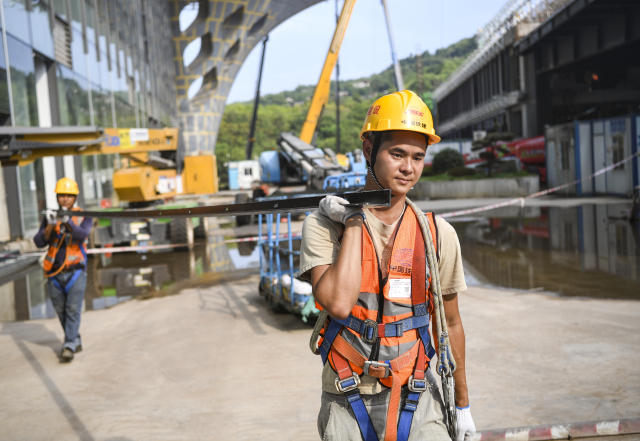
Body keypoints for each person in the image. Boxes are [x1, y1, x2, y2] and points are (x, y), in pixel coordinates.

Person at [300, 90, 476, 441]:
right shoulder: (324, 225)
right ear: (369, 150)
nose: (408, 168)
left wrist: (462, 405)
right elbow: (338, 303)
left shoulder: (437, 234)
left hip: (417, 393)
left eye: (418, 157)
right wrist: (352, 222)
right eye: (397, 154)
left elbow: (450, 323)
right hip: (346, 396)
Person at [34, 177, 92, 362]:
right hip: (54, 273)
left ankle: (68, 346)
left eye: (69, 195)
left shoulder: (84, 215)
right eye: (62, 195)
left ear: (75, 197)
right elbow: (38, 242)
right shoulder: (50, 216)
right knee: (62, 312)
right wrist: (50, 226)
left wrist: (68, 222)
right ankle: (75, 339)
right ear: (57, 197)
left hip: (76, 271)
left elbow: (82, 235)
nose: (65, 199)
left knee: (73, 310)